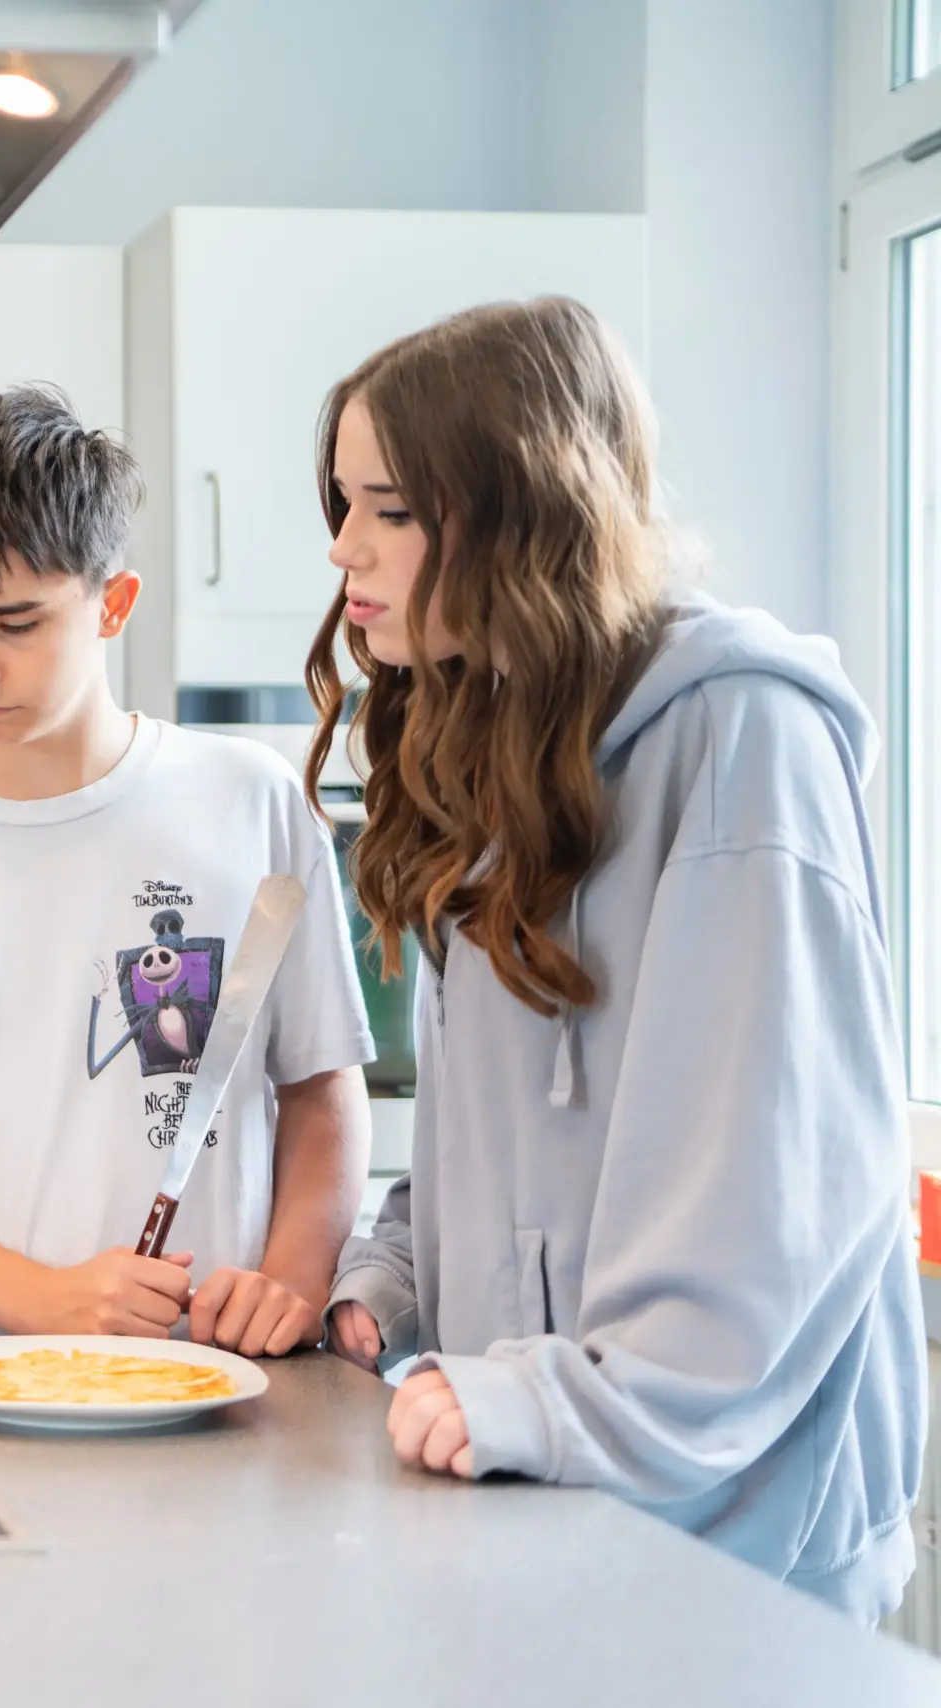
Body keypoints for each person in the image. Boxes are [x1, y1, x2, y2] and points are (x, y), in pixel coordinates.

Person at [314, 296, 925, 1623]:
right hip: (565, 1496)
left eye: (391, 509)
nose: (345, 547)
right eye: (346, 504)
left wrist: (546, 1401)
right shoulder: (500, 754)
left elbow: (776, 1191)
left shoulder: (743, 742)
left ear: (523, 509)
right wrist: (399, 1276)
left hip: (745, 1545)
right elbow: (495, 1137)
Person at [0, 385, 374, 1357]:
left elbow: (320, 1090)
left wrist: (291, 1282)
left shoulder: (251, 798)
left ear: (112, 605)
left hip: (216, 1383)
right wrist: (40, 1297)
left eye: (16, 624)